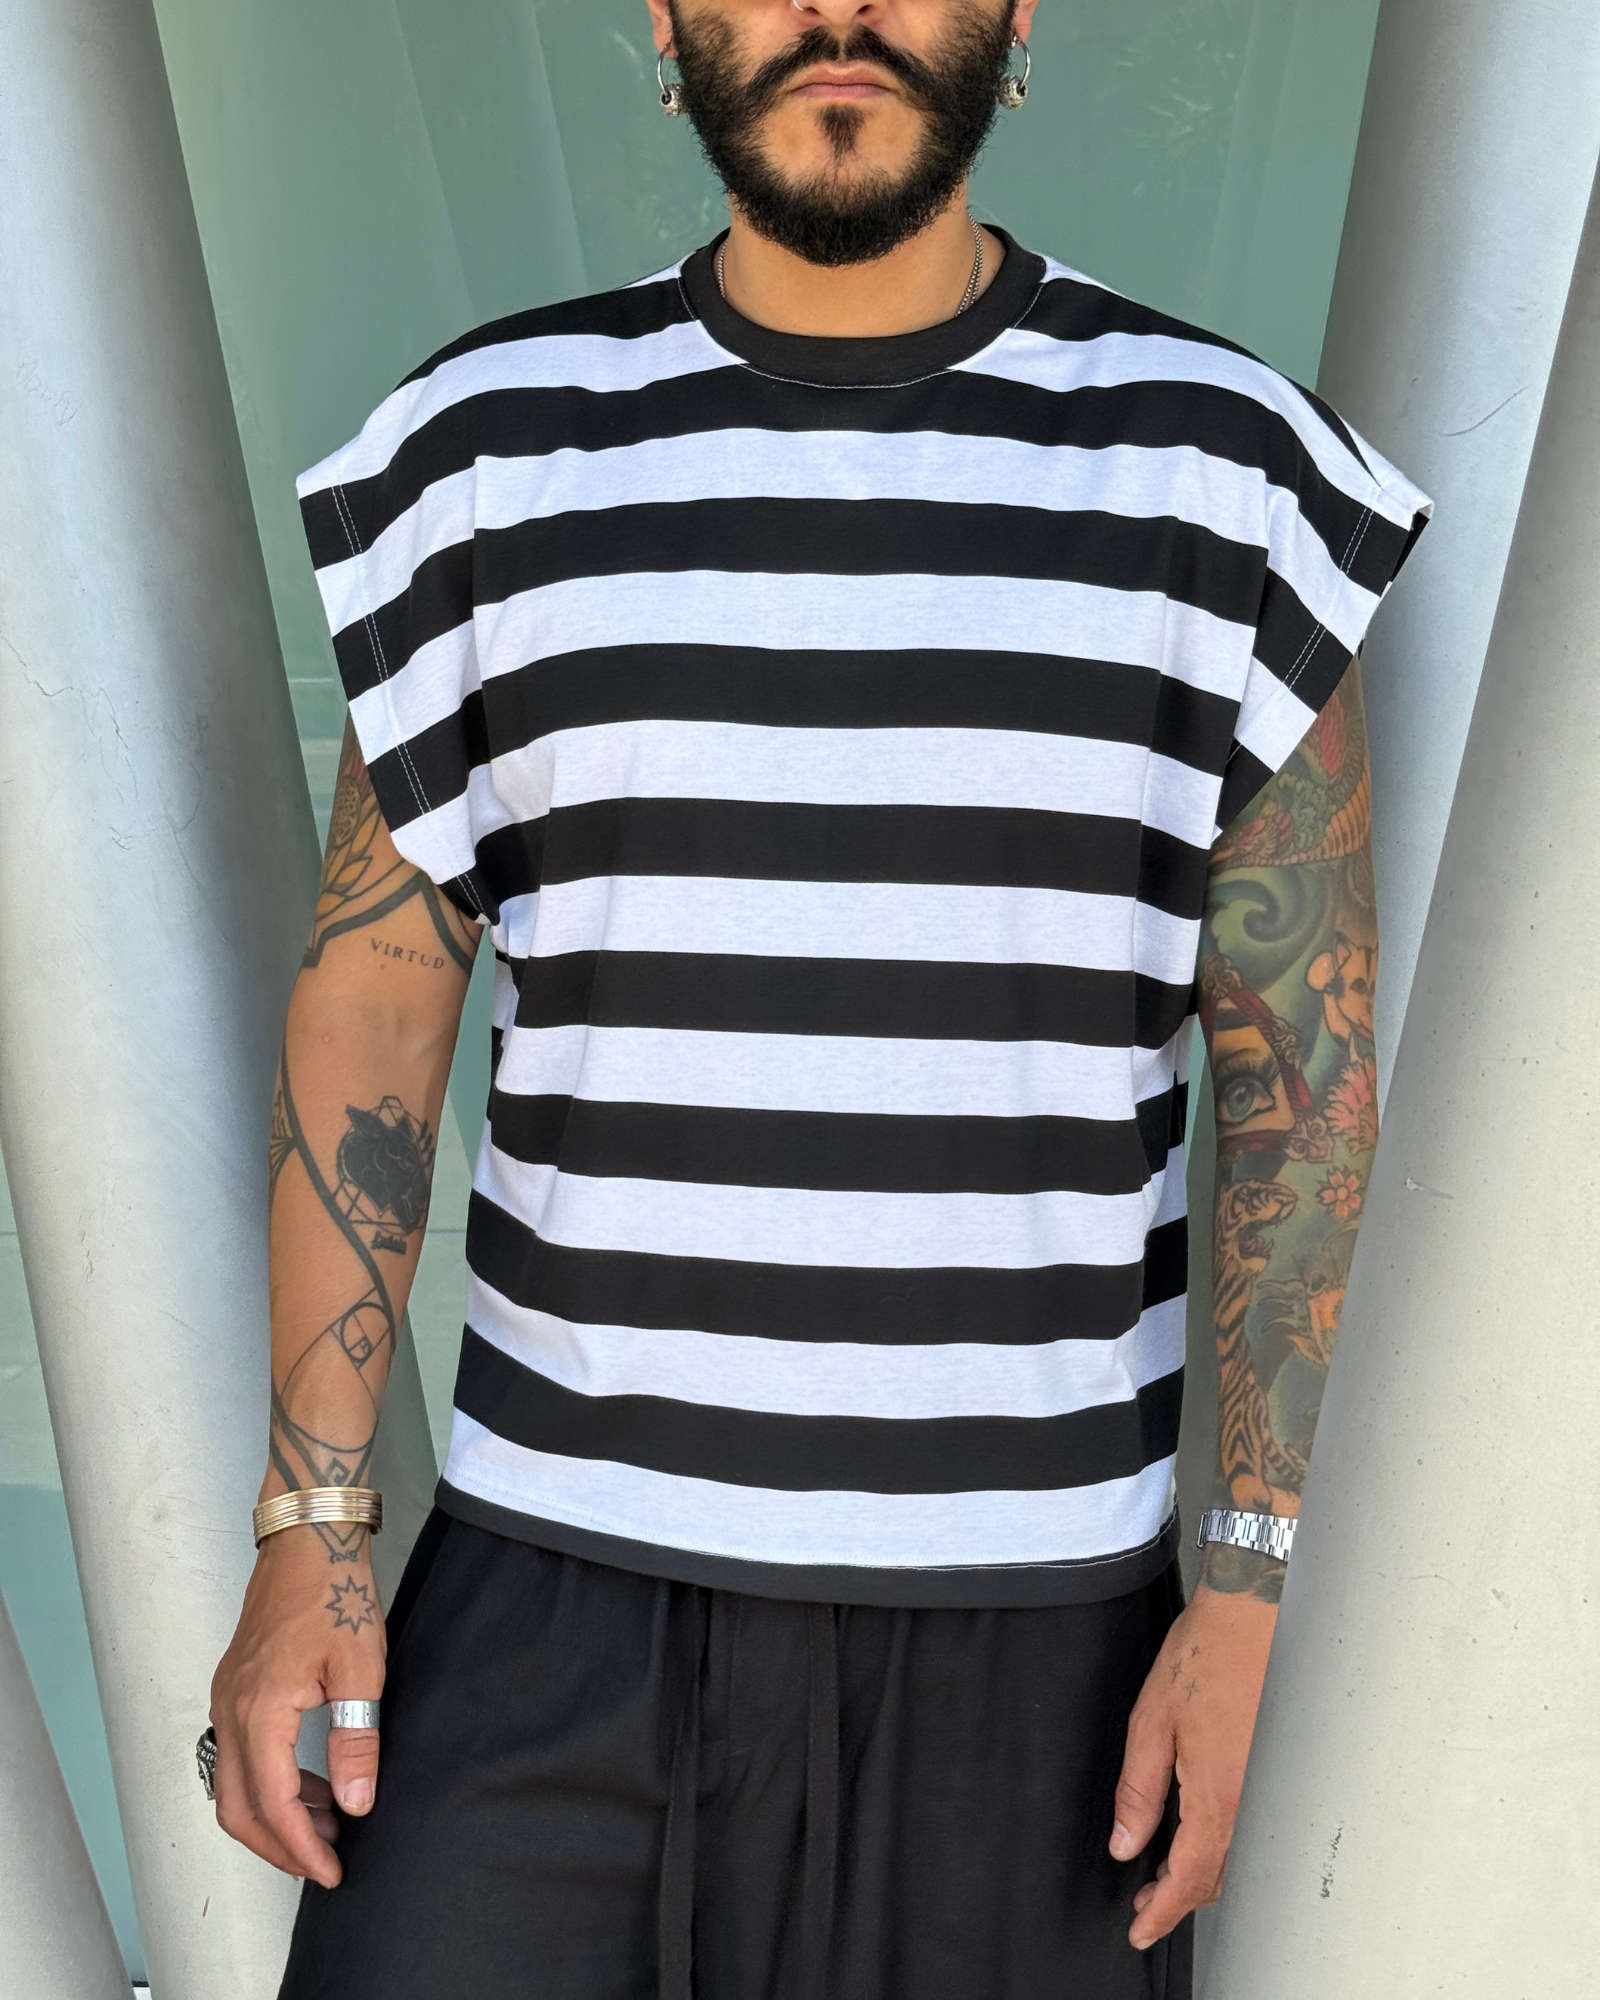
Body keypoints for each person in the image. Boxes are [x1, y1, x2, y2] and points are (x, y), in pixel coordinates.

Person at [208, 2, 1430, 1994]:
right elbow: (372, 1016)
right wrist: (310, 1525)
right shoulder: (478, 455)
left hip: (1033, 1656)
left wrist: (1248, 1587)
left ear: (1014, 12)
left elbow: (1303, 1075)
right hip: (546, 1601)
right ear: (666, 14)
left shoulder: (1229, 481)